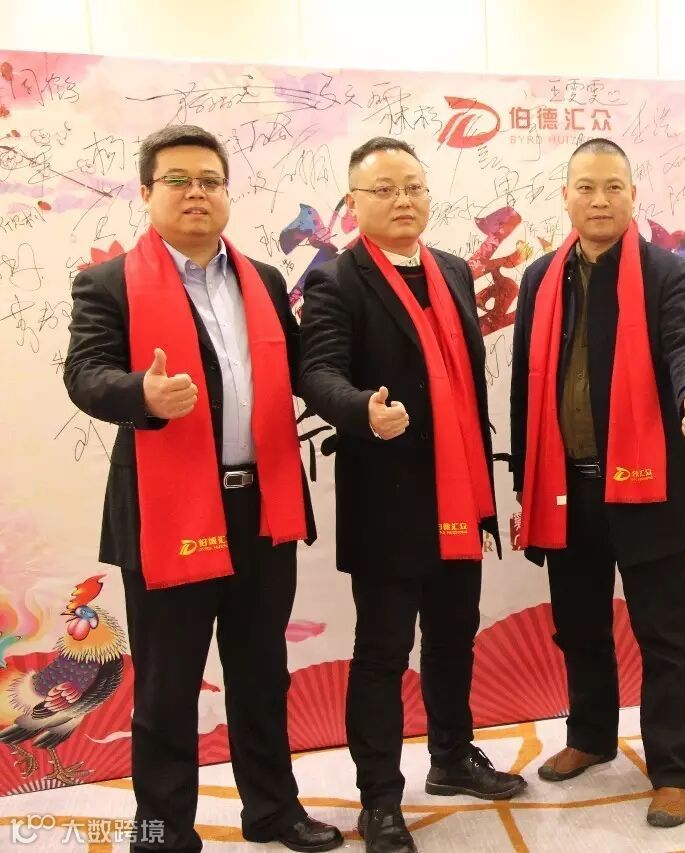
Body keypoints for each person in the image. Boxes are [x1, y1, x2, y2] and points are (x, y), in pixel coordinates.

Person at [63, 125, 340, 853]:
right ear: (147, 192)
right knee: (166, 686)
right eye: (178, 180)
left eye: (210, 180)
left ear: (225, 192)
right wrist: (142, 393)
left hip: (259, 505)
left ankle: (272, 812)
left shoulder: (263, 280)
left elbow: (298, 371)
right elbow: (85, 374)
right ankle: (162, 832)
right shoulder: (109, 283)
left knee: (261, 674)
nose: (196, 193)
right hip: (168, 508)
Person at [300, 137, 522, 853]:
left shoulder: (452, 269)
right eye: (385, 189)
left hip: (460, 494)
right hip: (389, 502)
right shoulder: (337, 280)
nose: (403, 201)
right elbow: (317, 372)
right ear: (354, 202)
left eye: (414, 187)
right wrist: (361, 409)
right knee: (383, 653)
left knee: (455, 636)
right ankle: (379, 799)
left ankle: (452, 757)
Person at [509, 138, 685, 828]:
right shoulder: (541, 278)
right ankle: (592, 735)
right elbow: (525, 381)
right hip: (565, 486)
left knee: (664, 635)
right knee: (579, 626)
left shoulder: (665, 273)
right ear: (566, 196)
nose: (599, 201)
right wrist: (525, 477)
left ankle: (674, 768)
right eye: (586, 187)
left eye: (613, 188)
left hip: (646, 486)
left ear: (633, 195)